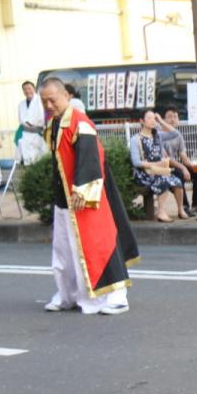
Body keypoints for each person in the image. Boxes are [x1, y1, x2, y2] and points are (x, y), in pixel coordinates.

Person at [38, 78, 138, 315]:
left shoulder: (80, 123)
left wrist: (83, 190)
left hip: (86, 198)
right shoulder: (54, 124)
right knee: (63, 252)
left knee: (100, 246)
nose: (49, 105)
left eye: (52, 100)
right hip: (64, 199)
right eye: (44, 102)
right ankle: (67, 295)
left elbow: (91, 157)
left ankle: (116, 296)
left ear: (66, 96)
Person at [129, 109, 186, 222]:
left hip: (158, 171)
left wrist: (161, 120)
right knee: (164, 180)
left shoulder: (158, 135)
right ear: (142, 121)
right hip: (144, 174)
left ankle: (181, 209)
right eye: (149, 118)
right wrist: (155, 164)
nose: (152, 121)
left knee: (177, 182)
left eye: (154, 118)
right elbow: (136, 162)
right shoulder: (135, 139)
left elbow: (175, 134)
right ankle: (161, 212)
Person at [155, 108, 197, 217]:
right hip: (162, 167)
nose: (173, 119)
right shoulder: (158, 134)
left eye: (175, 117)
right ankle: (184, 207)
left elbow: (183, 156)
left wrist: (193, 166)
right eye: (170, 116)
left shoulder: (178, 135)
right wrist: (183, 168)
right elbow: (166, 159)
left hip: (173, 166)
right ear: (163, 120)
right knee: (179, 173)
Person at [17, 80, 47, 164]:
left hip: (39, 133)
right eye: (25, 89)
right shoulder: (21, 104)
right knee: (27, 159)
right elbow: (20, 119)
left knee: (40, 158)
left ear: (34, 89)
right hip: (26, 134)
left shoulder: (41, 100)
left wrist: (35, 125)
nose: (27, 91)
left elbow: (44, 117)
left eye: (29, 88)